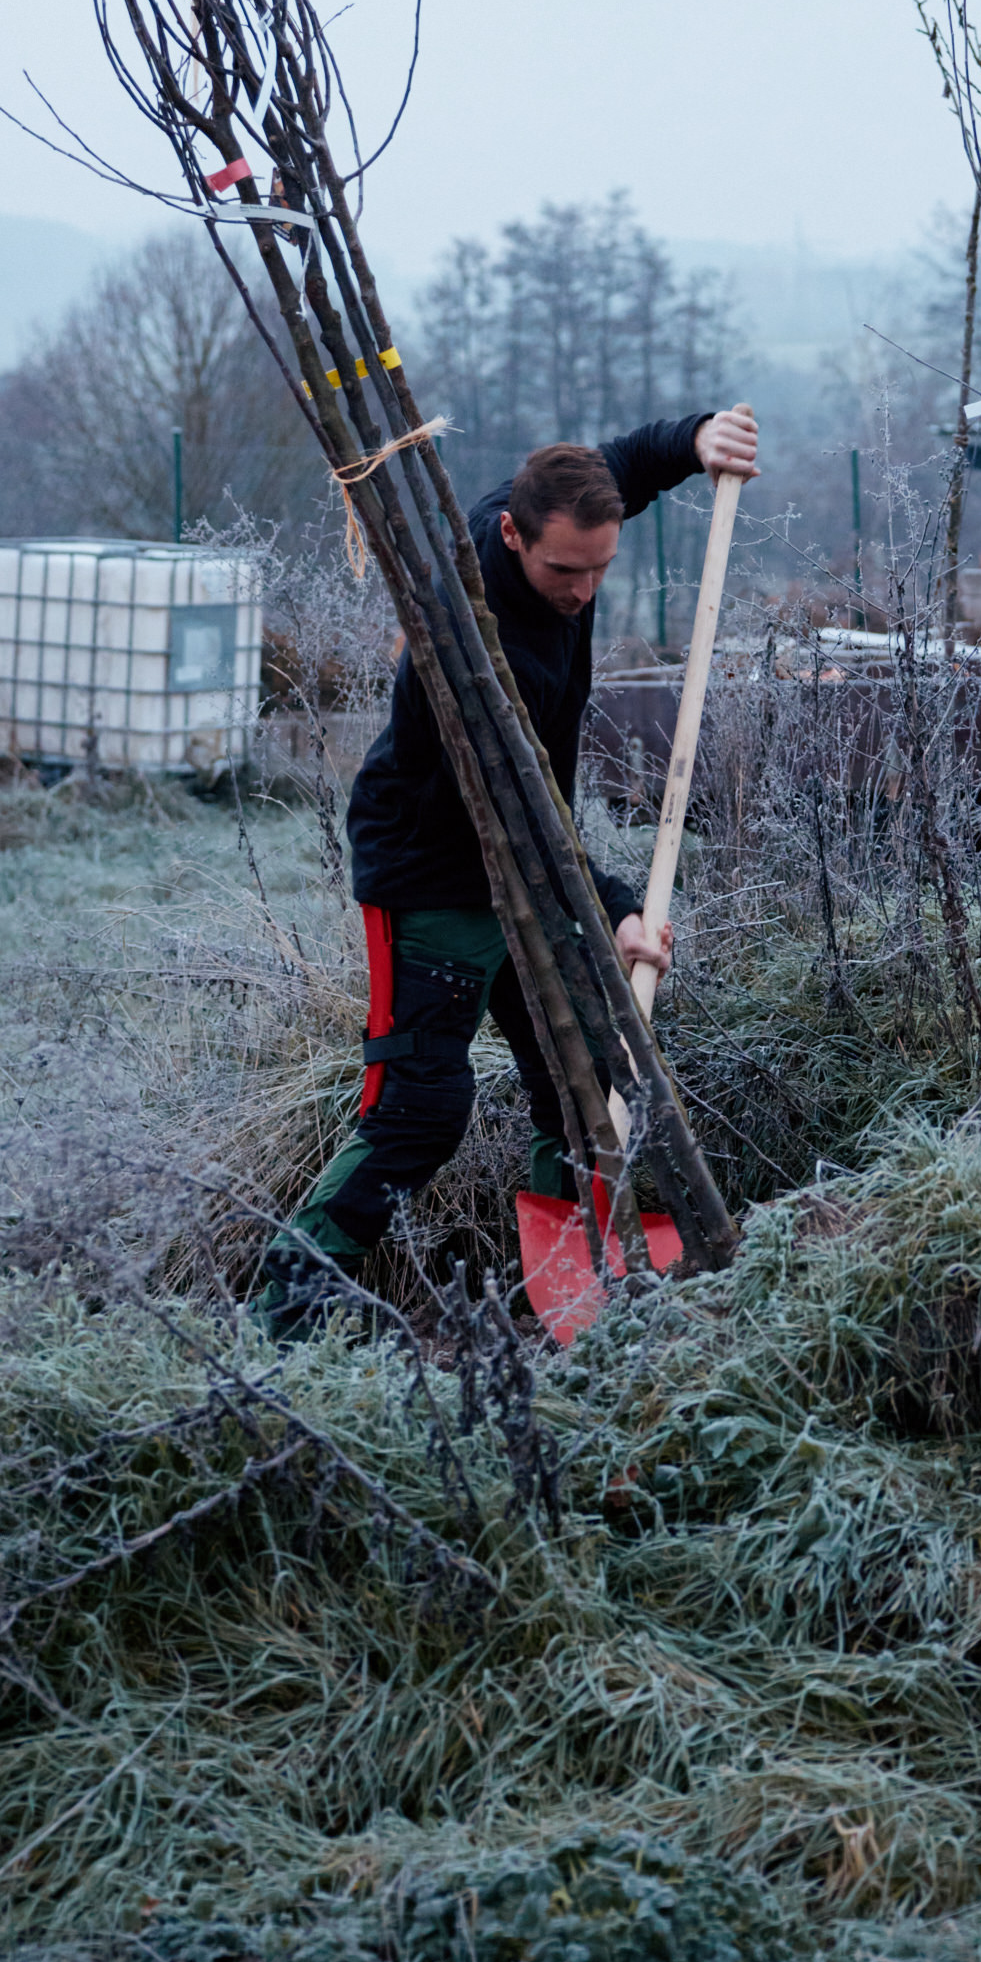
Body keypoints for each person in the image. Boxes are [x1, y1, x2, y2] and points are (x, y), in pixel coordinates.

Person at [263, 402, 758, 1331]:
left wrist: (692, 441)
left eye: (601, 568)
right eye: (565, 571)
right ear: (510, 535)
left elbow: (617, 462)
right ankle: (284, 1306)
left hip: (522, 866)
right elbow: (534, 819)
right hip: (431, 873)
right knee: (421, 1110)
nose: (582, 590)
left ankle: (571, 1282)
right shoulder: (488, 654)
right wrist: (613, 908)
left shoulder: (537, 510)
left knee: (581, 1083)